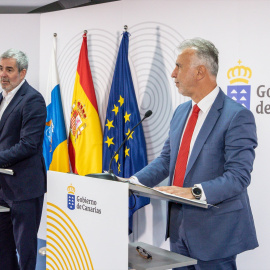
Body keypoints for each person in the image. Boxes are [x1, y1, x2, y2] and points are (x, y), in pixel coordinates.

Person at [132, 38, 258, 270]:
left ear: (200, 71)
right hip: (179, 227)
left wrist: (193, 193)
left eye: (179, 66)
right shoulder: (181, 112)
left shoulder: (236, 116)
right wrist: (132, 182)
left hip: (215, 232)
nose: (173, 73)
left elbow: (239, 176)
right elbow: (167, 160)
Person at [0, 49, 47, 270]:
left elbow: (29, 145)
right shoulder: (2, 98)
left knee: (26, 250)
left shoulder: (33, 99)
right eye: (1, 69)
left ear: (23, 72)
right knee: (3, 248)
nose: (3, 74)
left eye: (9, 69)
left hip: (24, 189)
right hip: (2, 189)